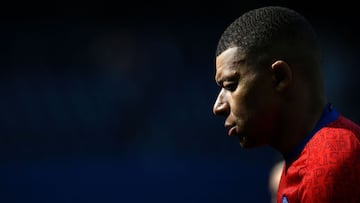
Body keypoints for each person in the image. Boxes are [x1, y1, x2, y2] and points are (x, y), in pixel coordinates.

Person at [212, 6, 360, 203]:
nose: (218, 106)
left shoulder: (329, 166)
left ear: (279, 77)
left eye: (230, 85)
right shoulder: (306, 157)